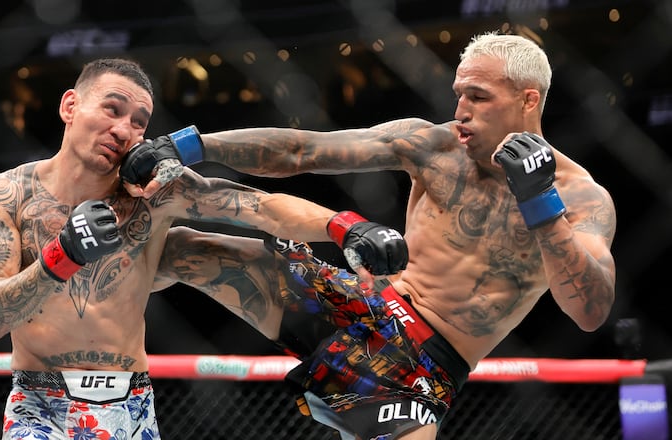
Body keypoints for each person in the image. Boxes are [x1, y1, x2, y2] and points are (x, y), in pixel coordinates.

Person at [124, 31, 618, 439]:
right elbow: (305, 151)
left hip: (423, 362)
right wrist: (190, 143)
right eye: (459, 93)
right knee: (188, 249)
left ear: (527, 99)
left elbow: (590, 312)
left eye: (479, 97)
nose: (461, 109)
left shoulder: (579, 198)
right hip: (359, 301)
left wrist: (541, 205)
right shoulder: (434, 145)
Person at [0, 58, 408, 440]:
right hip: (41, 405)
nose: (123, 129)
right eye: (112, 109)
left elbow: (258, 207)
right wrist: (61, 255)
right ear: (70, 106)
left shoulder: (153, 193)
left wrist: (344, 226)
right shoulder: (8, 194)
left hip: (131, 404)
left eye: (139, 122)